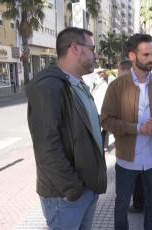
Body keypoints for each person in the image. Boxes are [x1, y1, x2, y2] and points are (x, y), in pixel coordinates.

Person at [26, 27, 107, 230]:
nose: (95, 54)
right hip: (66, 197)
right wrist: (72, 189)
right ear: (75, 48)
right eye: (92, 48)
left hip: (85, 190)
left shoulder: (77, 85)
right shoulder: (50, 86)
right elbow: (47, 148)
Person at [101, 33, 152, 230]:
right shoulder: (116, 87)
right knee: (121, 206)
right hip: (127, 161)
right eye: (145, 55)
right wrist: (138, 129)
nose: (151, 59)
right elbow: (106, 120)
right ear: (132, 56)